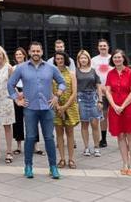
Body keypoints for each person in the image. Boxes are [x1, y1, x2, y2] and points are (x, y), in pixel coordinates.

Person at [7, 41, 66, 179]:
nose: (35, 53)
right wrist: (17, 99)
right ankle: (28, 166)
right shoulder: (21, 68)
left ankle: (53, 167)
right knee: (30, 137)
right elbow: (10, 84)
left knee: (49, 138)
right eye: (33, 51)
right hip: (30, 109)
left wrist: (57, 95)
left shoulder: (51, 68)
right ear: (29, 52)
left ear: (42, 52)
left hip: (47, 108)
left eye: (38, 51)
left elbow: (62, 82)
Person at [105, 49, 131, 176]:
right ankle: (125, 163)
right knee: (121, 136)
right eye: (115, 57)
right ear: (112, 59)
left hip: (129, 108)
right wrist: (114, 106)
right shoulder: (110, 73)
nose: (117, 59)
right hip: (115, 109)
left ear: (123, 58)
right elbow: (107, 91)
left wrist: (122, 106)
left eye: (119, 57)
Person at [52, 51, 80, 169]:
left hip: (70, 106)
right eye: (57, 59)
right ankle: (62, 159)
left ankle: (71, 159)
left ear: (65, 60)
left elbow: (74, 92)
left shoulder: (71, 73)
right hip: (56, 107)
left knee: (70, 133)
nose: (59, 61)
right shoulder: (52, 73)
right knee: (59, 134)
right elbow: (50, 91)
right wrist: (58, 106)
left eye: (61, 59)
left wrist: (65, 107)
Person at [75, 50, 103, 157]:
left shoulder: (93, 71)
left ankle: (96, 147)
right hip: (81, 99)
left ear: (88, 59)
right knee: (84, 124)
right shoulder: (76, 72)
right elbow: (74, 87)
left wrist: (100, 100)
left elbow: (98, 86)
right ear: (78, 60)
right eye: (81, 58)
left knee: (95, 124)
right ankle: (86, 148)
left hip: (93, 98)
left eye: (85, 58)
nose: (83, 60)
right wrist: (75, 102)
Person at [91, 39, 111, 148]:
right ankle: (103, 139)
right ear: (98, 47)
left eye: (104, 45)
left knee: (119, 114)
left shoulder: (112, 58)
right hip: (100, 92)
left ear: (108, 47)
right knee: (103, 115)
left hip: (113, 91)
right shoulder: (94, 60)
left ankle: (124, 136)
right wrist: (99, 87)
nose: (103, 47)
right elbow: (92, 76)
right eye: (100, 46)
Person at [12, 47, 27, 155]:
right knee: (18, 121)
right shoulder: (13, 68)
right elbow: (11, 82)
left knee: (31, 120)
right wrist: (17, 93)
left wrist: (24, 93)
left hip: (28, 93)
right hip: (17, 93)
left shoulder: (29, 66)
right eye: (17, 55)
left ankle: (35, 146)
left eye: (20, 54)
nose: (18, 56)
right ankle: (18, 146)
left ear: (24, 55)